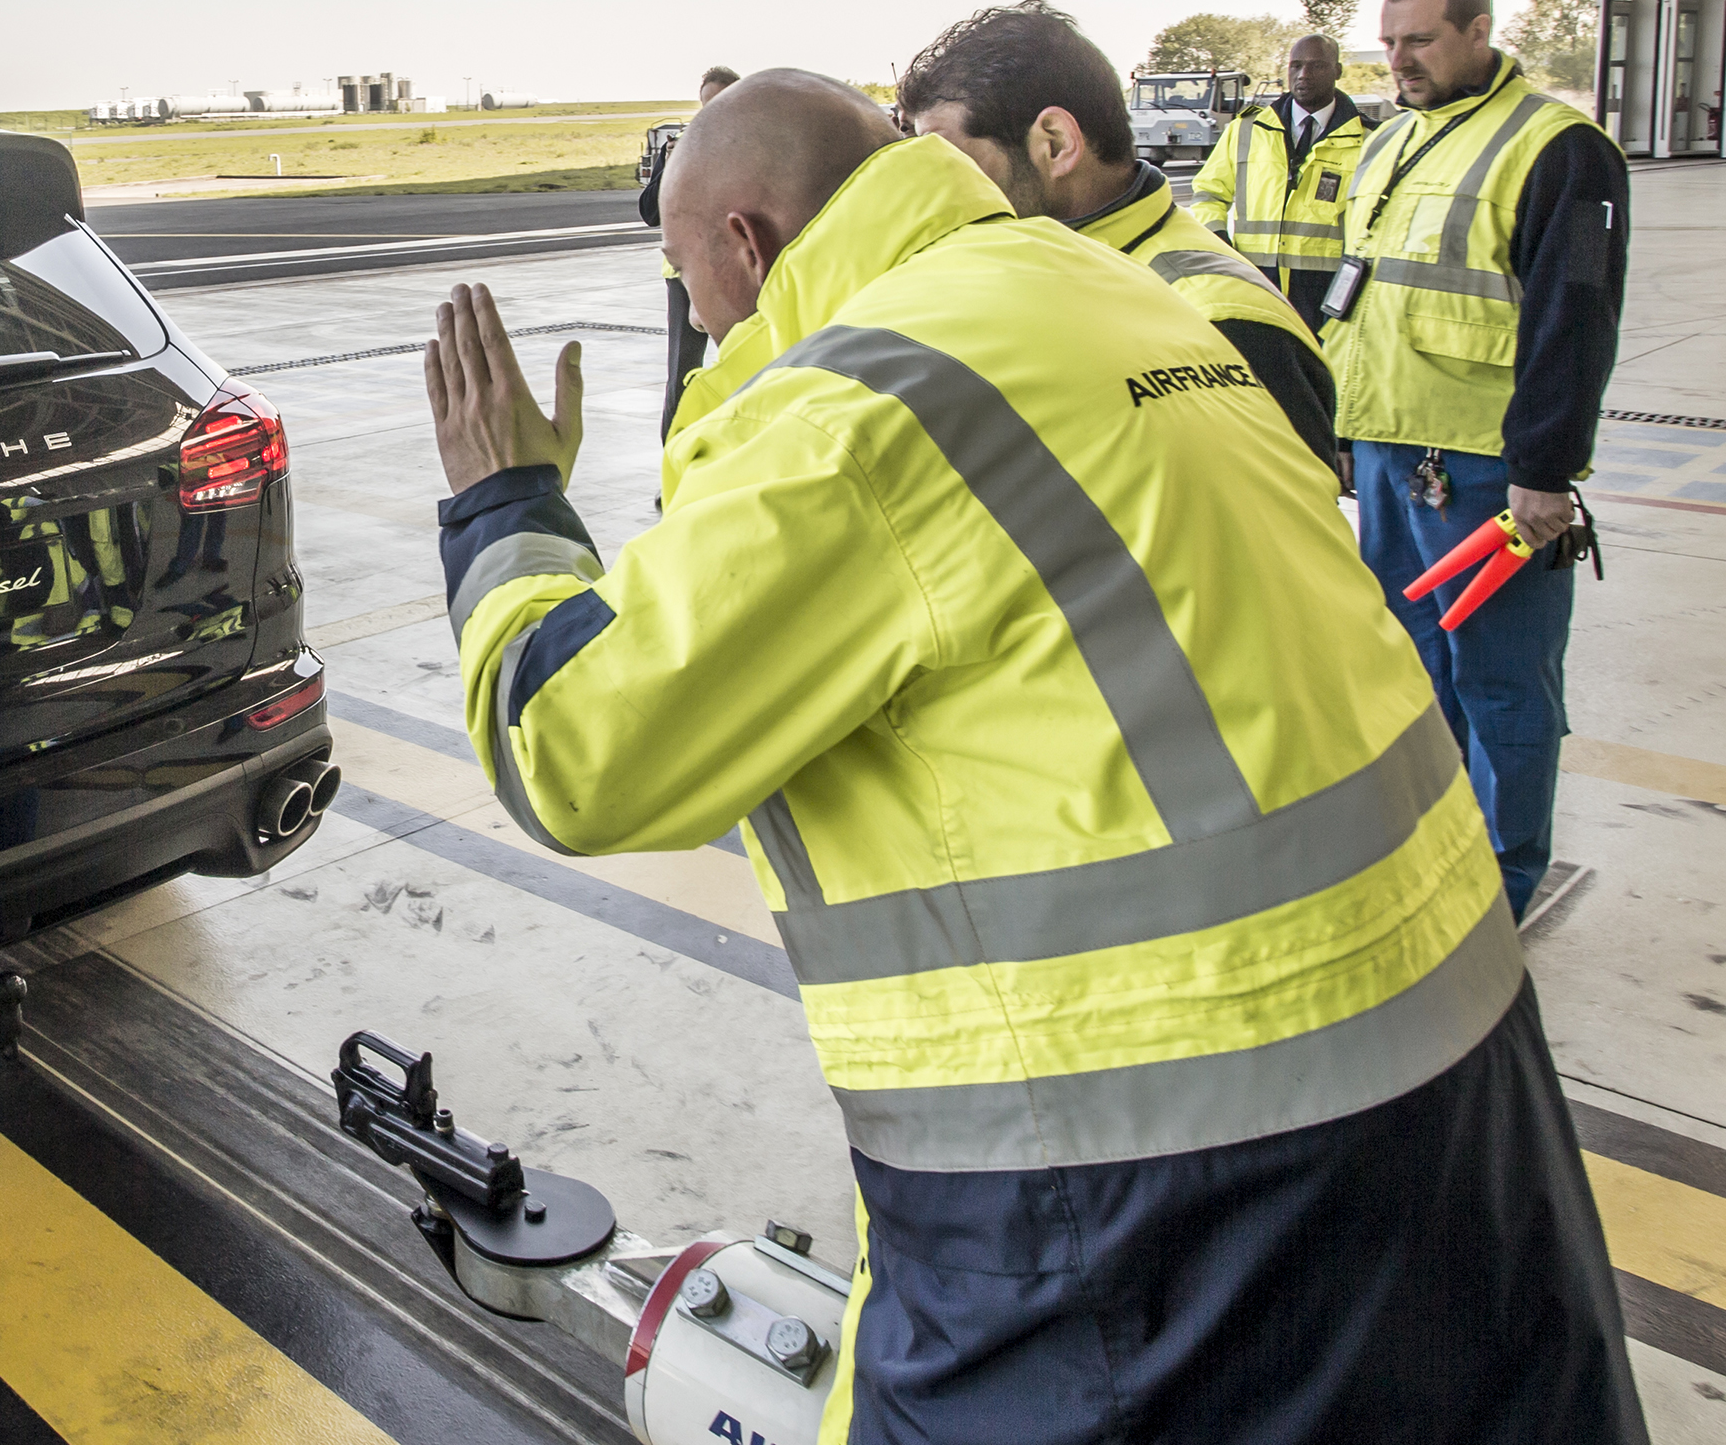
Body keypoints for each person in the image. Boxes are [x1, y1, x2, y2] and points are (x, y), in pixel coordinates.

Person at [423, 70, 1639, 1444]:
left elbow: (577, 753)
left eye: (687, 276)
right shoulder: (1118, 292)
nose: (694, 318)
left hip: (1156, 1177)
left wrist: (504, 501)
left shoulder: (854, 409)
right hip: (1454, 1065)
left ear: (750, 245)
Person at [1336, 0, 1628, 920]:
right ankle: (1437, 844)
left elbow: (1573, 319)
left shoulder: (1561, 151)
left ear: (1479, 30)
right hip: (1388, 456)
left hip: (1487, 473)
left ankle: (1503, 880)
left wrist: (1543, 470)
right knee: (1416, 672)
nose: (1398, 61)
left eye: (1418, 40)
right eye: (1387, 43)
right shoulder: (1391, 142)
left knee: (1502, 684)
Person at [896, 1, 1339, 477]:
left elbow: (1278, 538)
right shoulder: (1029, 263)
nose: (936, 186)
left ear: (1056, 143)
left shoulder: (1221, 322)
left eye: (949, 158)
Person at [1190, 34, 1380, 327]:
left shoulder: (1370, 140)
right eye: (1296, 65)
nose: (1303, 75)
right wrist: (1219, 242)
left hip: (1328, 292)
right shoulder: (1246, 129)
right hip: (1254, 281)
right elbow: (1208, 193)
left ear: (1337, 72)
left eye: (1316, 66)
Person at [639, 64, 741, 438]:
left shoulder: (749, 148)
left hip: (736, 271)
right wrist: (672, 165)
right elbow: (650, 212)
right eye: (705, 107)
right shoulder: (683, 149)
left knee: (744, 362)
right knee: (682, 373)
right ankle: (674, 471)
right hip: (685, 275)